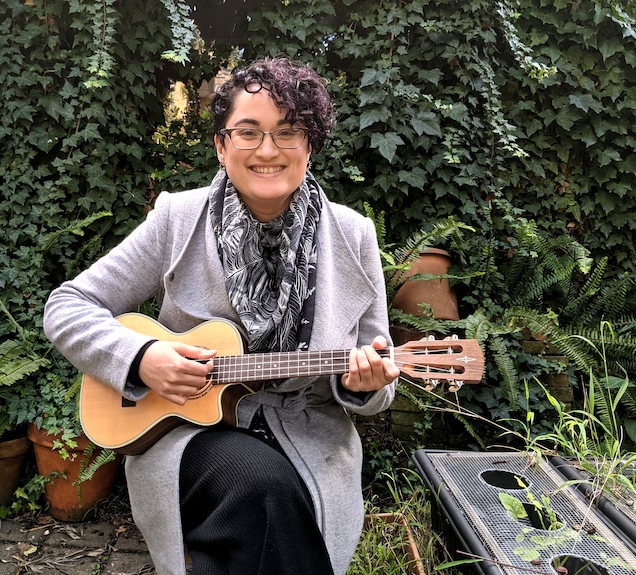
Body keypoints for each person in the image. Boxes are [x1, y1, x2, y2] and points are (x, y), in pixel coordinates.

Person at [43, 56, 399, 575]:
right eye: (248, 132)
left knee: (251, 532)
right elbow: (67, 305)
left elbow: (380, 382)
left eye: (289, 133)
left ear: (310, 145)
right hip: (188, 433)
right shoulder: (178, 219)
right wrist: (141, 357)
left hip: (308, 433)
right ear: (220, 145)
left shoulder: (354, 236)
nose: (268, 150)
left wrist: (365, 384)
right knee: (261, 486)